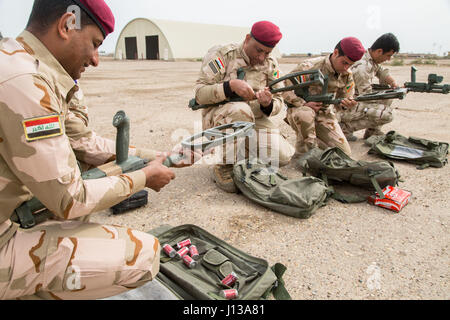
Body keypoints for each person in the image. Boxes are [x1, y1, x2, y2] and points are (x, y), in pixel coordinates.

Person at [0, 0, 194, 300]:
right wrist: (144, 178)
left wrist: (159, 156)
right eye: (94, 43)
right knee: (144, 255)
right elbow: (71, 199)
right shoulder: (27, 82)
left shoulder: (15, 61)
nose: (96, 59)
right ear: (67, 25)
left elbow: (83, 142)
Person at [194, 21, 295, 193]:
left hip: (255, 120)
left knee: (283, 156)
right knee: (241, 110)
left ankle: (242, 153)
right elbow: (200, 93)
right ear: (247, 39)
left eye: (267, 52)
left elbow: (280, 99)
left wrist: (268, 104)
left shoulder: (270, 64)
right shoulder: (223, 55)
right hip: (221, 119)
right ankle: (224, 163)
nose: (262, 57)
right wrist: (229, 86)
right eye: (258, 50)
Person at [283, 37, 365, 158]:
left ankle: (314, 143)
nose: (346, 68)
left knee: (344, 154)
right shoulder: (310, 66)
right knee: (305, 115)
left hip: (324, 114)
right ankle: (303, 152)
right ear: (336, 52)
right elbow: (284, 88)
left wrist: (345, 104)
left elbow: (343, 100)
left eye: (350, 65)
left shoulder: (347, 75)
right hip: (300, 110)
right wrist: (302, 103)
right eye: (344, 63)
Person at [339, 33, 400, 140]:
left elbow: (381, 72)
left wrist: (394, 84)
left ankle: (372, 132)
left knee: (388, 97)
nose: (389, 59)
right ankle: (345, 128)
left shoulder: (370, 59)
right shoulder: (362, 66)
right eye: (388, 55)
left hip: (354, 99)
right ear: (379, 51)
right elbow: (367, 96)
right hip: (344, 106)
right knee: (386, 114)